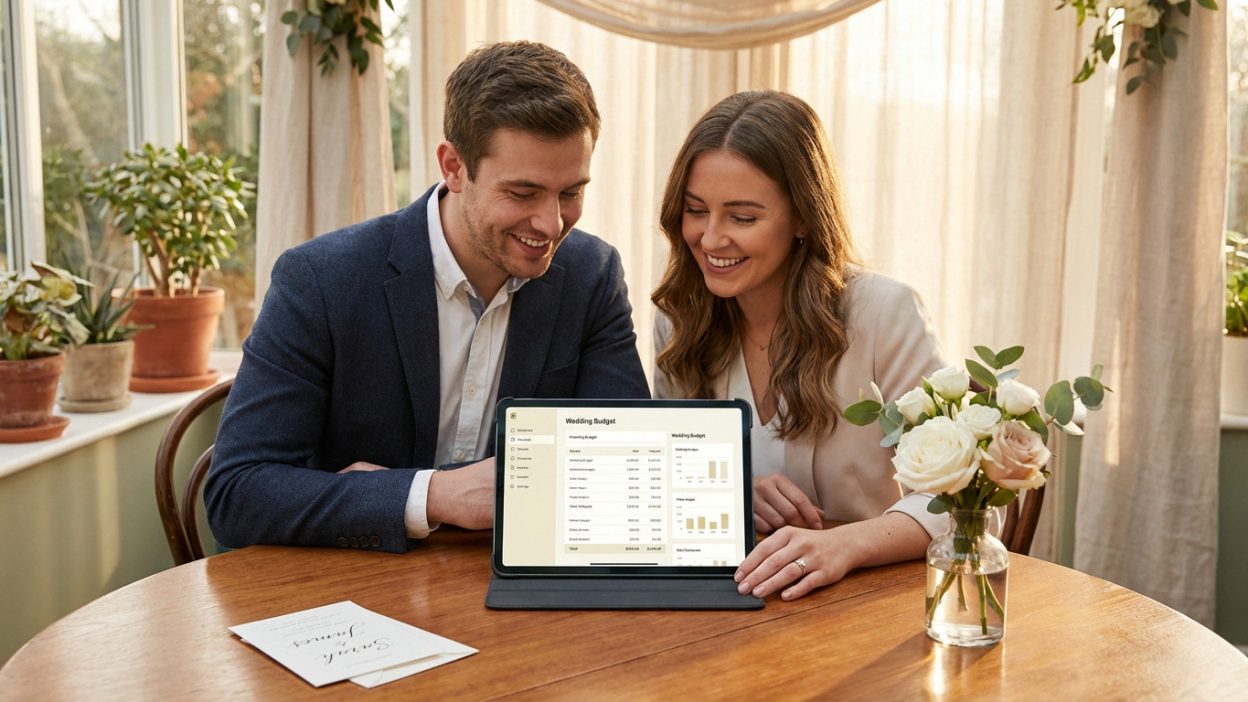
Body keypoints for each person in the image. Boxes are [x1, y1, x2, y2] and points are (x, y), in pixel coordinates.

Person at [206, 41, 649, 552]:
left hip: (506, 594)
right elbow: (236, 494)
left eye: (570, 192)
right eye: (523, 193)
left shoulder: (591, 276)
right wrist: (433, 495)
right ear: (454, 167)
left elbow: (625, 470)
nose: (551, 224)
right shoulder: (321, 279)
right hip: (345, 595)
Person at [651, 90, 945, 601]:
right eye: (696, 210)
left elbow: (956, 498)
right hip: (735, 599)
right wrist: (731, 490)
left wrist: (847, 545)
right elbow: (662, 477)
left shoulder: (883, 312)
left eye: (743, 218)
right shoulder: (678, 316)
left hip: (866, 598)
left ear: (804, 218)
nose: (712, 239)